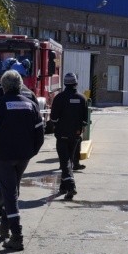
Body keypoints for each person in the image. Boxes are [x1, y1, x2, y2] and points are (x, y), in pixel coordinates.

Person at [0, 69, 44, 251]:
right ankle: (4, 226)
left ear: (3, 86)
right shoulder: (31, 104)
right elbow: (40, 133)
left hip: (4, 156)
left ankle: (17, 235)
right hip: (23, 156)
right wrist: (31, 152)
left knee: (9, 194)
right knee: (12, 189)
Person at [49, 72, 89, 201]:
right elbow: (85, 119)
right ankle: (63, 187)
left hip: (61, 134)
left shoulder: (59, 98)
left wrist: (57, 124)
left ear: (65, 83)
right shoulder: (82, 98)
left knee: (64, 161)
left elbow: (53, 118)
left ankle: (71, 186)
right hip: (75, 135)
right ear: (76, 83)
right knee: (69, 161)